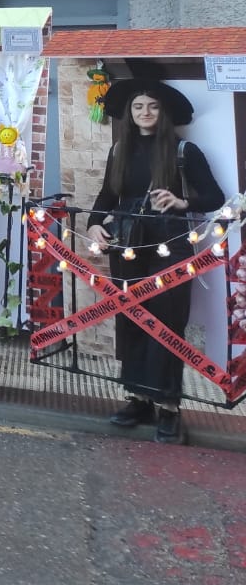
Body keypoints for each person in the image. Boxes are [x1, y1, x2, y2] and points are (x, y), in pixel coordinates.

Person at [85, 77, 224, 445]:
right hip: (127, 244)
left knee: (165, 322)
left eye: (152, 106)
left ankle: (169, 407)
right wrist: (95, 223)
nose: (144, 113)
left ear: (163, 113)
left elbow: (214, 196)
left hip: (170, 245)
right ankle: (138, 398)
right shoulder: (120, 150)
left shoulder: (183, 151)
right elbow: (107, 195)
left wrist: (183, 203)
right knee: (132, 318)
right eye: (137, 107)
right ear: (129, 114)